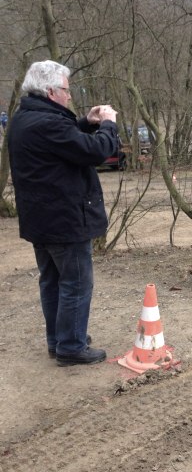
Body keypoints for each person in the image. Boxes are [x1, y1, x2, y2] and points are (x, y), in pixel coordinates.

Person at [7, 60, 119, 366]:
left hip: (40, 218)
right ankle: (71, 346)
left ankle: (60, 339)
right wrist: (108, 123)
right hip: (64, 218)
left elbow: (65, 141)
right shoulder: (48, 124)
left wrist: (86, 121)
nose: (69, 96)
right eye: (67, 91)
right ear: (51, 91)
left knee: (53, 281)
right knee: (76, 282)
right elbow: (96, 151)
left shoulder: (24, 119)